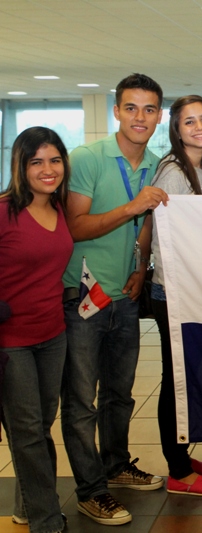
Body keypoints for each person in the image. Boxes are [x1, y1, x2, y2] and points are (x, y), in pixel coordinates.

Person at [61, 73, 168, 526]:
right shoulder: (87, 158)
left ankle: (116, 465)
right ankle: (91, 490)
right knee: (80, 400)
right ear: (117, 111)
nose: (140, 117)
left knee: (120, 394)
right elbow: (75, 226)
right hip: (84, 295)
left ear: (159, 116)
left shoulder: (157, 163)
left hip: (125, 296)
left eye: (149, 109)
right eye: (131, 107)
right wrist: (131, 206)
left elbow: (148, 227)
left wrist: (141, 268)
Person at [149, 96, 202, 496]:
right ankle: (178, 470)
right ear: (176, 130)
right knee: (175, 378)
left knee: (188, 376)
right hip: (174, 291)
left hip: (192, 289)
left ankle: (181, 452)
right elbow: (165, 238)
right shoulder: (173, 172)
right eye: (189, 121)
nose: (199, 127)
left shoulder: (200, 168)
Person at [0, 127, 72, 533]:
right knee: (27, 432)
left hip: (53, 334)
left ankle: (26, 506)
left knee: (39, 426)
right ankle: (47, 520)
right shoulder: (3, 211)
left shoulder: (58, 207)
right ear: (20, 166)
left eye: (55, 160)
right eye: (37, 162)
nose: (48, 169)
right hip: (11, 341)